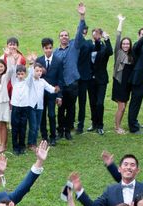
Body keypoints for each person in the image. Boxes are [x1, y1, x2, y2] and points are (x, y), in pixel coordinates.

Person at [54, 2, 87, 140]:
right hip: (61, 84)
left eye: (66, 35)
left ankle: (68, 130)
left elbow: (79, 33)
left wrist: (82, 16)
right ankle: (60, 129)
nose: (64, 37)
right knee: (61, 109)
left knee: (71, 108)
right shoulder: (55, 52)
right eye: (62, 35)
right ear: (59, 38)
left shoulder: (75, 45)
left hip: (73, 82)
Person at [36, 37, 64, 146]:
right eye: (46, 48)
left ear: (52, 47)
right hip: (40, 94)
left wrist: (59, 96)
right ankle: (44, 136)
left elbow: (60, 79)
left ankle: (53, 136)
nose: (48, 50)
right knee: (42, 115)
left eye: (50, 48)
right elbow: (35, 78)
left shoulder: (58, 61)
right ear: (43, 49)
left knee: (52, 115)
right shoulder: (39, 60)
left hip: (52, 93)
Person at [127, 24, 143, 133]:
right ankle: (132, 126)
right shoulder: (137, 46)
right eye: (142, 34)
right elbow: (137, 46)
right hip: (137, 80)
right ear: (139, 36)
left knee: (138, 103)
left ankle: (134, 122)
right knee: (135, 103)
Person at [111, 14, 134, 134]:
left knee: (124, 106)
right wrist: (121, 21)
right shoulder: (119, 53)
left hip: (127, 85)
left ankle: (118, 125)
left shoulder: (131, 56)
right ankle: (117, 127)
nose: (125, 45)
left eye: (127, 44)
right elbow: (118, 36)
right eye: (124, 44)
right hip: (119, 83)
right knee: (122, 107)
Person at [87, 28, 113, 135]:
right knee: (92, 103)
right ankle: (94, 123)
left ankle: (100, 125)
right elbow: (94, 49)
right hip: (90, 79)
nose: (96, 36)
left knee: (99, 103)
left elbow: (110, 52)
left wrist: (106, 39)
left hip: (101, 79)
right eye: (94, 34)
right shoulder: (89, 45)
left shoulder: (103, 46)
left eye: (98, 35)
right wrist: (96, 41)